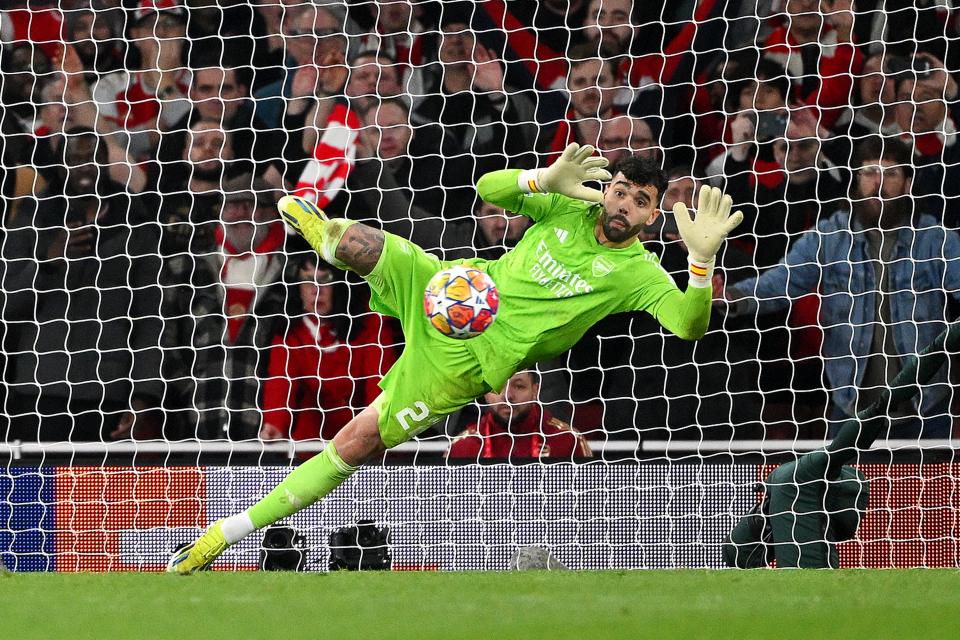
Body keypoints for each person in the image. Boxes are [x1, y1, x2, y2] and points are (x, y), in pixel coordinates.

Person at [168, 143, 744, 573]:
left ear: (651, 216)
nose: (622, 204)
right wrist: (542, 179)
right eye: (619, 190)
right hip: (451, 290)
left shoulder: (638, 272)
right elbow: (489, 190)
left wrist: (699, 262)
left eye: (639, 201)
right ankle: (325, 239)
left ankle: (225, 533)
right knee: (367, 246)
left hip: (465, 365)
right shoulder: (570, 209)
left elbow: (688, 324)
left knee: (358, 441)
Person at [720, 136, 960, 439]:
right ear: (857, 180)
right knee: (844, 487)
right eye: (869, 172)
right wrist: (730, 296)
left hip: (925, 409)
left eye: (890, 174)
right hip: (850, 409)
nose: (878, 183)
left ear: (908, 183)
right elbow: (781, 282)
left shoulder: (936, 238)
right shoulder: (830, 235)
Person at [724, 323, 960, 568]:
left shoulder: (782, 480)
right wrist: (946, 341)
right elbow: (883, 404)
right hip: (813, 587)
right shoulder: (813, 469)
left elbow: (734, 553)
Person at [260, 258, 397, 444]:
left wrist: (374, 431)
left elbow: (379, 385)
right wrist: (274, 426)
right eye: (308, 280)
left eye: (326, 280)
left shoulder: (372, 322)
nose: (316, 290)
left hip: (367, 434)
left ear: (341, 283)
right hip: (313, 439)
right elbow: (280, 384)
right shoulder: (289, 332)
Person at [447, 370, 592, 460]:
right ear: (484, 392)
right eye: (497, 386)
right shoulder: (463, 446)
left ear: (535, 391)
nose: (508, 396)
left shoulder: (567, 440)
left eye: (519, 386)